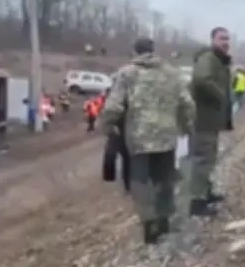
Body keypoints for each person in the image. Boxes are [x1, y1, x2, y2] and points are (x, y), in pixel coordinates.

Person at [99, 37, 195, 245]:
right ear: (154, 50)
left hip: (139, 138)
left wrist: (107, 127)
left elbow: (113, 106)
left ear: (135, 51)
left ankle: (149, 222)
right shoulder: (172, 73)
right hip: (167, 136)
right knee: (164, 178)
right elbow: (187, 103)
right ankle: (164, 217)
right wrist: (187, 127)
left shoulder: (127, 74)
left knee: (140, 181)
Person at [189, 26, 234, 217]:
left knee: (208, 159)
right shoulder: (208, 58)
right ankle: (197, 202)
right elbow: (201, 80)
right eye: (221, 38)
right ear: (213, 40)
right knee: (202, 160)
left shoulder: (217, 60)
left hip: (210, 120)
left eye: (227, 39)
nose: (225, 42)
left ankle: (206, 192)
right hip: (202, 120)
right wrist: (221, 95)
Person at [101, 87, 131, 193]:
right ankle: (109, 177)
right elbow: (106, 115)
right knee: (110, 154)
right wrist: (109, 127)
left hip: (126, 130)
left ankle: (128, 186)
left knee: (127, 158)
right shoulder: (113, 99)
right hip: (116, 128)